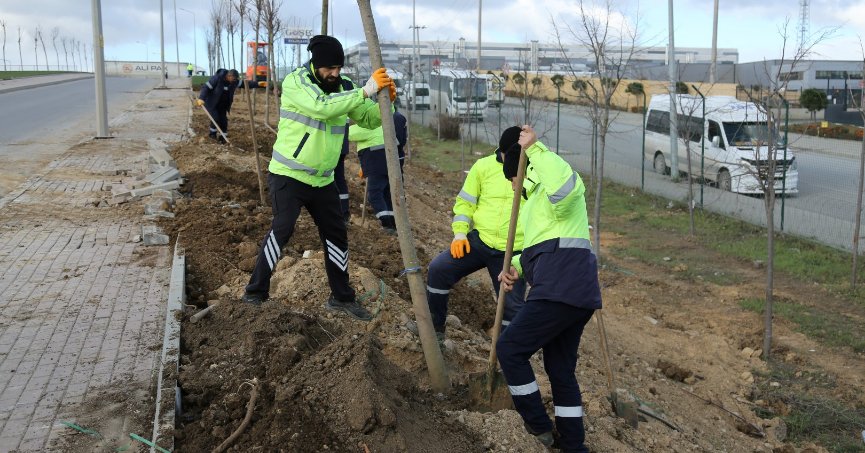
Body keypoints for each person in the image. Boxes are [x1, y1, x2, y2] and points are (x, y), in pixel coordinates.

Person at [242, 35, 396, 322]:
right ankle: (255, 292)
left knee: (336, 234)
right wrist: (366, 90)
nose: (335, 74)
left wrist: (386, 103)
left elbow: (368, 119)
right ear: (315, 63)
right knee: (282, 228)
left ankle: (341, 297)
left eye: (338, 68)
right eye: (329, 69)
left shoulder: (345, 86)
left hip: (323, 180)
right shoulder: (297, 82)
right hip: (289, 174)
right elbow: (321, 106)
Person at [497, 125, 602, 452]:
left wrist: (536, 149)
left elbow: (565, 191)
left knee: (510, 349)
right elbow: (535, 247)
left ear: (519, 167)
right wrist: (513, 268)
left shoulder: (553, 176)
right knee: (560, 369)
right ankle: (574, 446)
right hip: (575, 291)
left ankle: (538, 427)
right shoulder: (531, 206)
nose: (512, 186)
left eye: (510, 177)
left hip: (561, 287)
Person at [424, 126, 527, 340]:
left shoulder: (531, 172)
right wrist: (460, 234)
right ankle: (435, 329)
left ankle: (504, 356)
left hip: (513, 252)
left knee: (513, 307)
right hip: (479, 241)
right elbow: (465, 204)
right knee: (438, 270)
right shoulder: (483, 167)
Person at [348, 109, 407, 234]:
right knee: (386, 193)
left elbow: (348, 133)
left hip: (376, 165)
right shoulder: (384, 124)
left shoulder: (368, 126)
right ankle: (393, 224)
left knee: (374, 193)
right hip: (389, 164)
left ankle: (386, 223)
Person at [195, 68, 239, 143]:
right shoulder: (217, 78)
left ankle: (223, 137)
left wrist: (258, 84)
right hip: (212, 103)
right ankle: (212, 134)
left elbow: (244, 84)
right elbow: (206, 87)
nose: (234, 81)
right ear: (229, 76)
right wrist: (201, 98)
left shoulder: (233, 82)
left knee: (223, 121)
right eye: (234, 79)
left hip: (222, 105)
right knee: (215, 118)